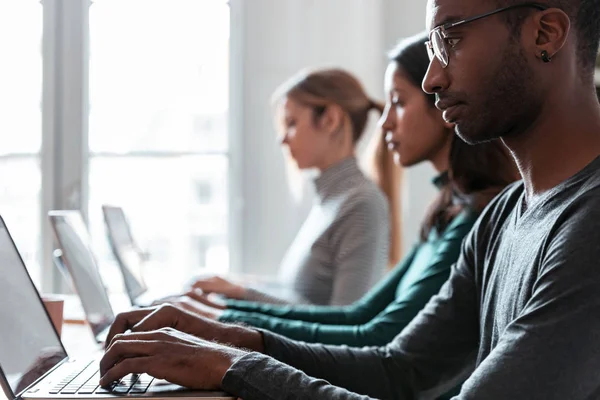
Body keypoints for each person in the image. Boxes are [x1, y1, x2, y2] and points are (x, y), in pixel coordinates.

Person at [98, 0, 600, 398]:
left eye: (451, 38)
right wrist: (221, 338)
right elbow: (398, 370)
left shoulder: (590, 224)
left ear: (545, 34)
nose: (432, 78)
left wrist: (231, 363)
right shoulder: (501, 217)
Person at [175, 34, 517, 355]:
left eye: (398, 102)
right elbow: (361, 315)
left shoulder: (469, 217)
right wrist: (222, 311)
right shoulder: (445, 211)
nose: (383, 124)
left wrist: (224, 318)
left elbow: (375, 338)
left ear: (442, 102)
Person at [191, 68, 393, 307]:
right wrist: (245, 285)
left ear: (330, 120)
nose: (283, 138)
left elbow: (345, 319)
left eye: (291, 123)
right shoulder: (332, 200)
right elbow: (299, 293)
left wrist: (241, 293)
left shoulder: (362, 205)